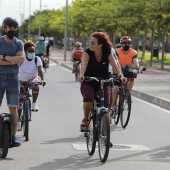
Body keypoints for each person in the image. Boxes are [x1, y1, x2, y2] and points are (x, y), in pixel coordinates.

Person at [78, 32, 126, 134]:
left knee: (106, 106)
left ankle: (105, 136)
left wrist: (121, 76)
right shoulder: (87, 52)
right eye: (90, 42)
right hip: (89, 81)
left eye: (93, 43)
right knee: (89, 98)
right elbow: (83, 65)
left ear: (100, 45)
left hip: (104, 81)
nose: (90, 44)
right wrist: (81, 75)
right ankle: (86, 119)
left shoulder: (107, 52)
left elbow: (115, 66)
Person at [0, 17, 25, 146]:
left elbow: (20, 59)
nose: (13, 30)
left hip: (13, 77)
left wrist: (3, 57)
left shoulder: (19, 43)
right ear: (4, 28)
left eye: (15, 28)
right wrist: (12, 59)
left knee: (13, 108)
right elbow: (16, 59)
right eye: (10, 28)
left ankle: (14, 136)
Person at [110, 36, 140, 112]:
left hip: (127, 70)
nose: (126, 44)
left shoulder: (133, 52)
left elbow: (136, 62)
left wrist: (137, 68)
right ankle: (113, 106)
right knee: (115, 89)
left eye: (128, 43)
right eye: (124, 43)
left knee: (132, 78)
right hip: (118, 70)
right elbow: (114, 61)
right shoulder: (117, 51)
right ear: (121, 44)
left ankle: (127, 95)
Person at [18, 41, 46, 116]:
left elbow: (40, 70)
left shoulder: (37, 59)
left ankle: (34, 103)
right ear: (25, 51)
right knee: (19, 102)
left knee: (36, 86)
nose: (32, 53)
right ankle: (18, 121)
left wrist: (43, 79)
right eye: (30, 51)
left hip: (32, 79)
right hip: (22, 80)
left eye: (33, 51)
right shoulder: (21, 59)